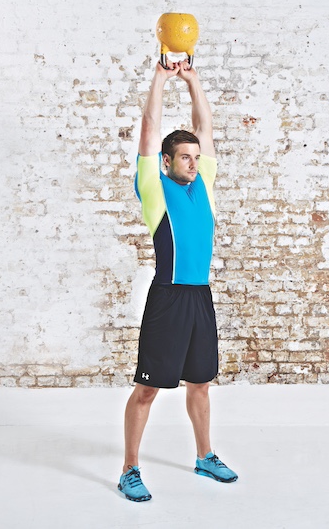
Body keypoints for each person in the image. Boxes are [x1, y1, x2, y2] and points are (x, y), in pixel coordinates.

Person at [118, 59, 238, 502]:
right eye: (184, 157)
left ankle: (205, 456)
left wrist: (192, 80)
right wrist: (160, 78)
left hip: (200, 298)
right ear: (166, 161)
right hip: (167, 298)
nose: (193, 162)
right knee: (148, 388)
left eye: (195, 156)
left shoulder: (203, 183)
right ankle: (129, 468)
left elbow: (204, 124)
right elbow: (150, 127)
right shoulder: (153, 187)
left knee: (201, 383)